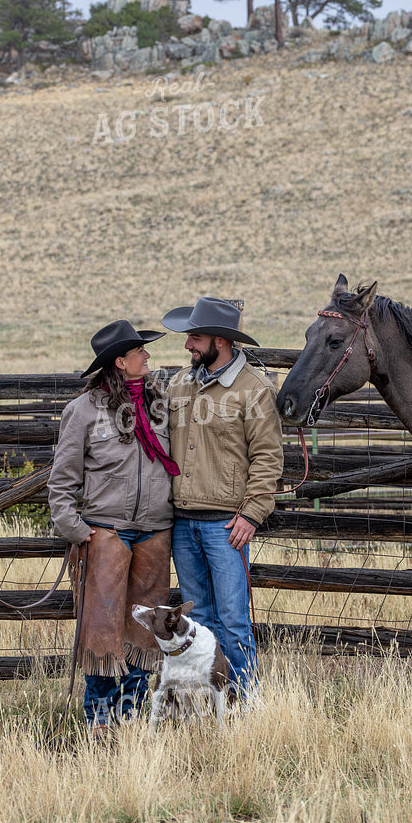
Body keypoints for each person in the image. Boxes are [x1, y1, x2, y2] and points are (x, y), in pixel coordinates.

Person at [47, 319, 180, 734]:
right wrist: (74, 528)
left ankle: (130, 715)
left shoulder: (162, 405)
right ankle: (99, 718)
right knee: (102, 632)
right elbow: (62, 479)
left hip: (155, 531)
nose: (147, 356)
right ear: (121, 362)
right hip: (105, 532)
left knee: (145, 631)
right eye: (140, 352)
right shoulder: (83, 411)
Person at [162, 297, 283, 698]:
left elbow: (268, 457)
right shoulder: (179, 384)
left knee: (232, 620)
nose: (188, 346)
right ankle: (213, 699)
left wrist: (252, 514)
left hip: (227, 525)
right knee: (202, 620)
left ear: (220, 340)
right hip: (183, 523)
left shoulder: (254, 389)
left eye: (195, 338)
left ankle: (244, 702)